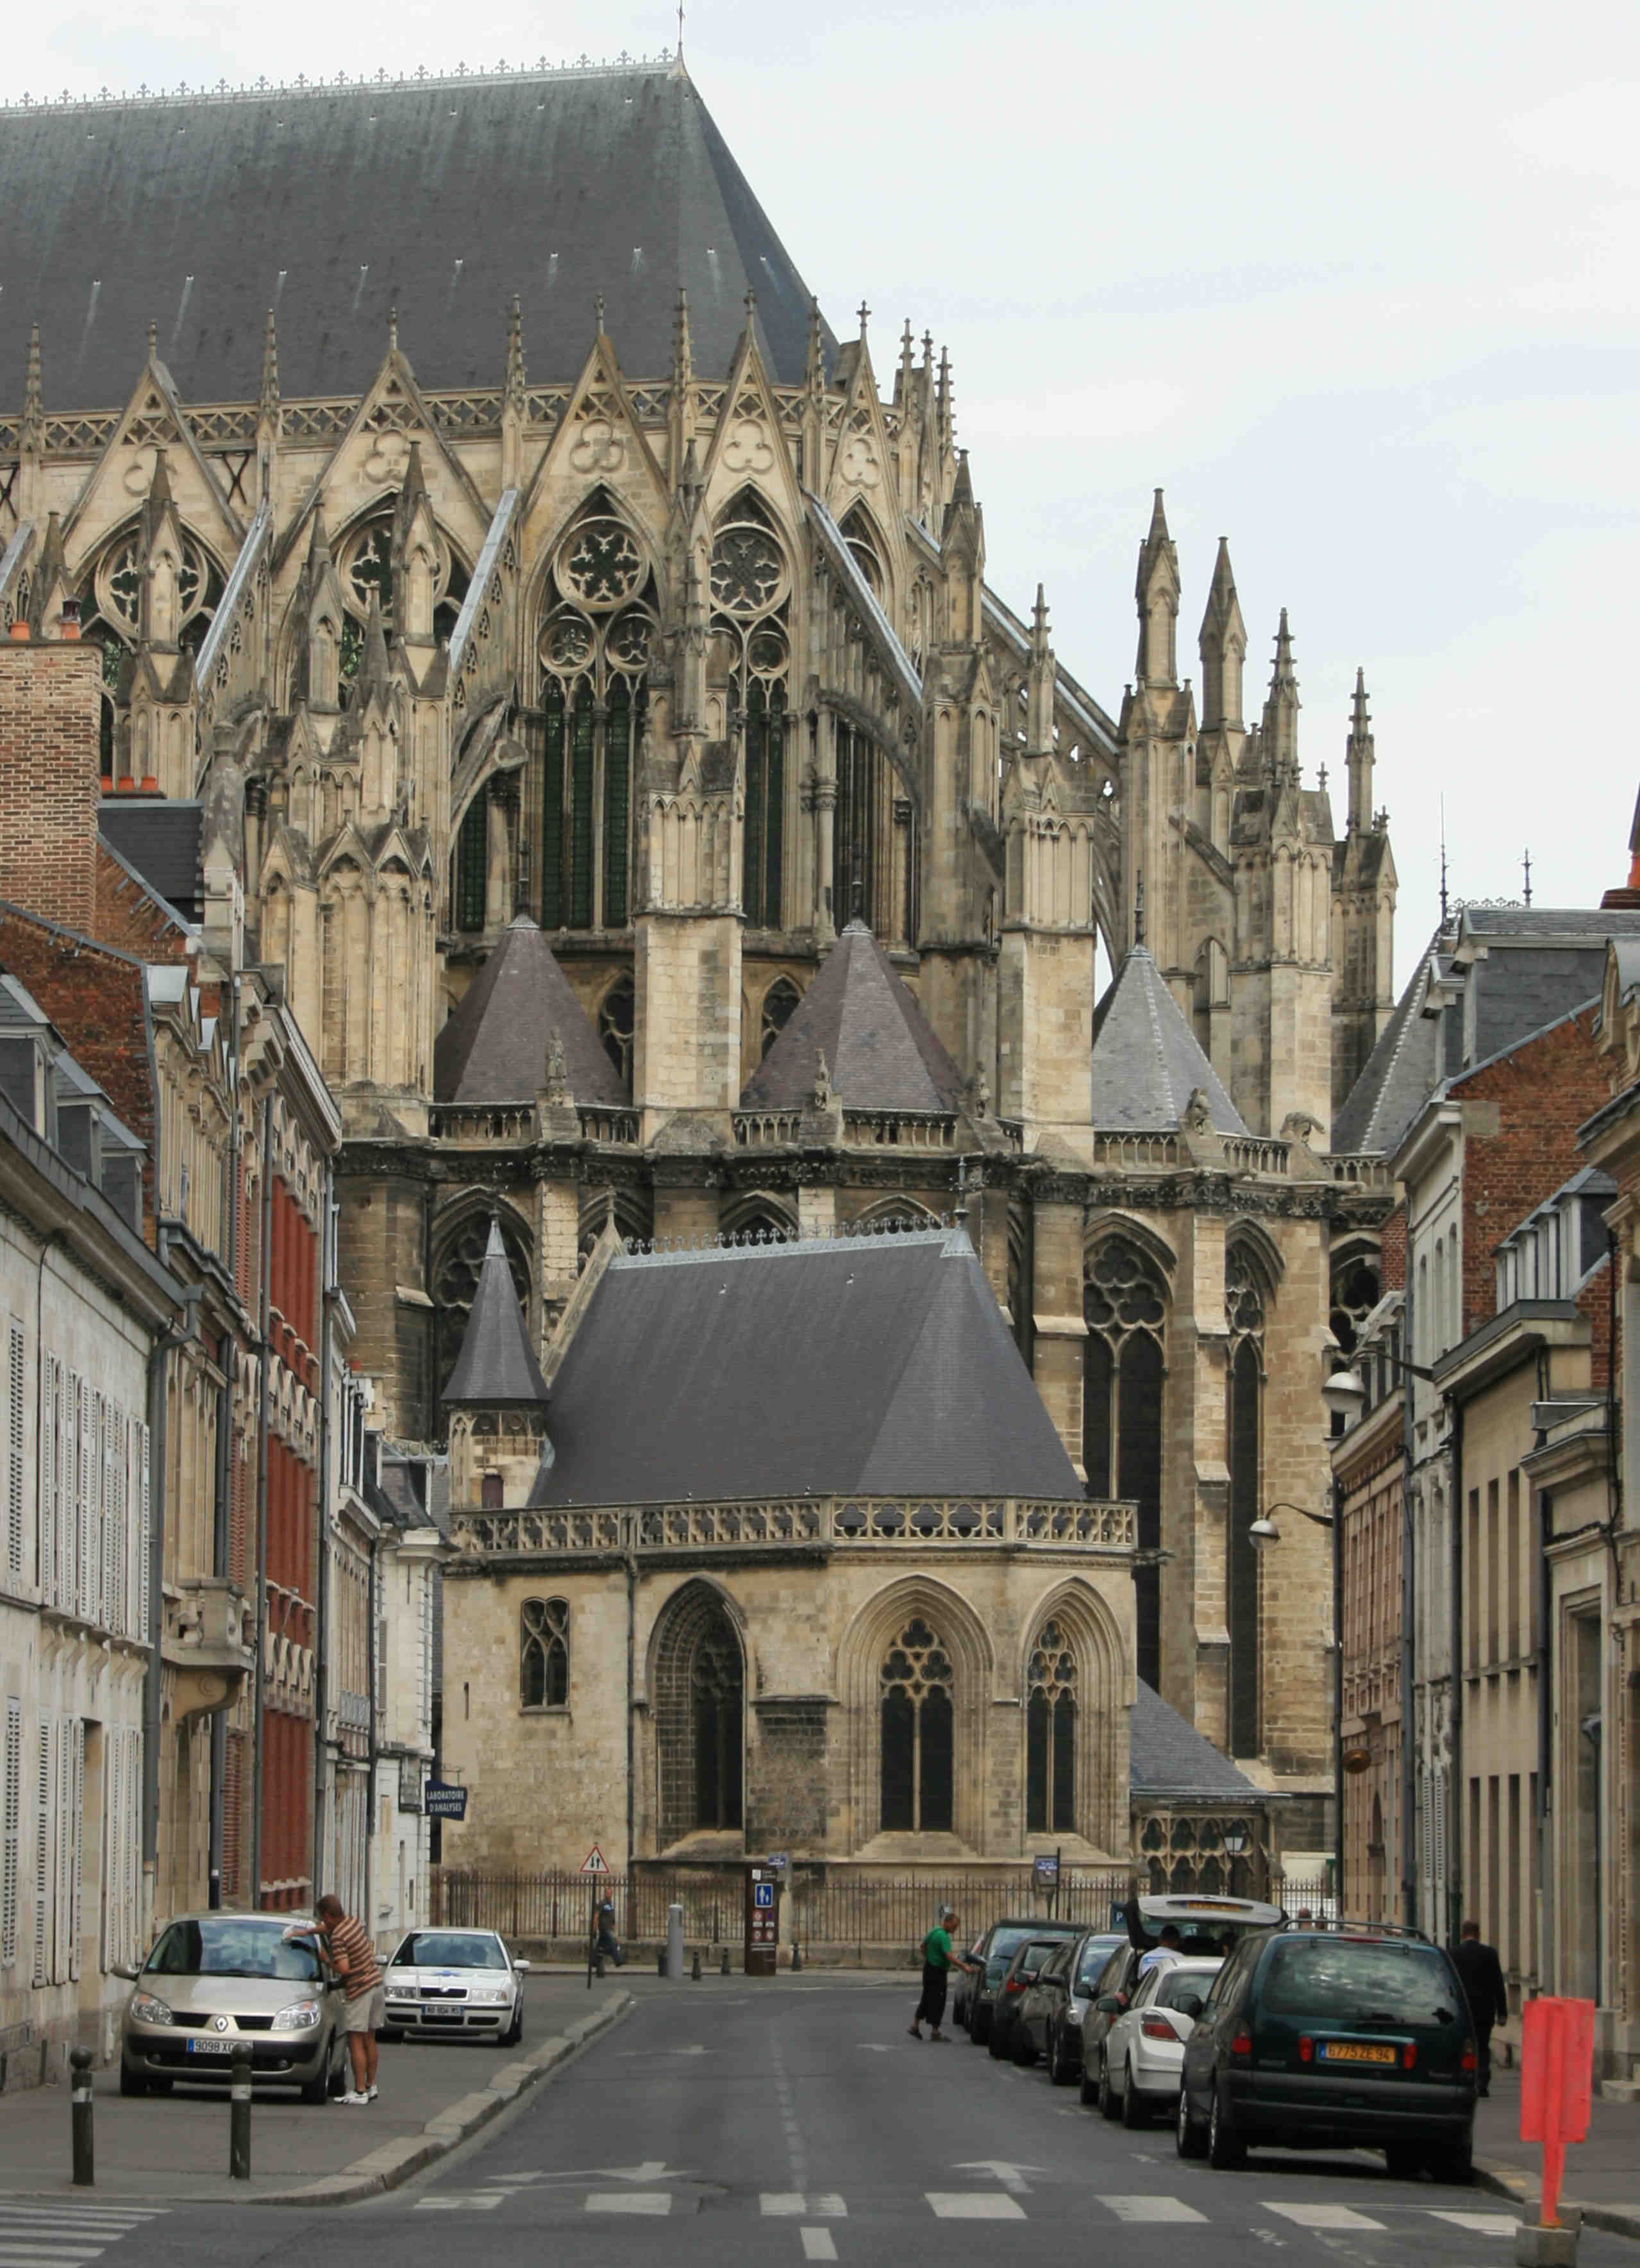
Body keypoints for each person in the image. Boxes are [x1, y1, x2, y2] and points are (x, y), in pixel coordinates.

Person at [315, 1893, 385, 2105]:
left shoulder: (338, 1938)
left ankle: (360, 2091)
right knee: (369, 2038)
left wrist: (327, 1960)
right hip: (376, 1985)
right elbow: (326, 1929)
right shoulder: (353, 1923)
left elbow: (344, 1970)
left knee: (355, 2039)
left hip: (360, 1990)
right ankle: (371, 2086)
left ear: (328, 1916)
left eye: (322, 1918)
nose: (322, 1922)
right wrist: (306, 1931)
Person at [1452, 1919, 1508, 2096]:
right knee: (1483, 2045)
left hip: (1462, 2010)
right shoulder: (1490, 1954)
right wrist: (1502, 2012)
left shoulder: (1453, 1954)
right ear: (1478, 1934)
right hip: (1485, 2009)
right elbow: (1498, 1984)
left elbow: (1449, 1985)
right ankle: (1482, 2081)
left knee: (1463, 2045)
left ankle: (1466, 2079)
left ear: (1462, 1935)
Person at [909, 1907, 977, 2042]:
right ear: (947, 1922)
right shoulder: (944, 1937)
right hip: (938, 1972)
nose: (955, 1929)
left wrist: (929, 1958)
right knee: (939, 2001)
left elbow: (923, 1946)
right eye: (955, 1926)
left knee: (926, 1997)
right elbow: (949, 1956)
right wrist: (964, 1967)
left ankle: (915, 2026)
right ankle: (935, 2032)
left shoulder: (934, 1931)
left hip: (928, 1969)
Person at [595, 1900, 625, 1969]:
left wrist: (614, 1932)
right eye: (608, 1893)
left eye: (610, 1893)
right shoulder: (602, 1903)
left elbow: (612, 1919)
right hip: (604, 1928)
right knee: (612, 1942)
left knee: (599, 1946)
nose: (610, 1895)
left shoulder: (611, 1906)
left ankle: (594, 1961)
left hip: (608, 1928)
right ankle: (618, 1961)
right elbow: (596, 1916)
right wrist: (595, 1927)